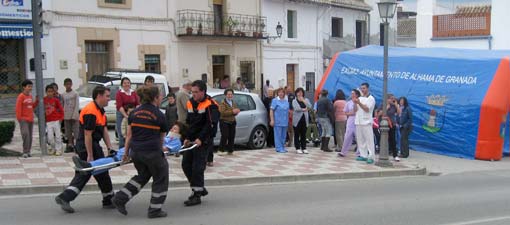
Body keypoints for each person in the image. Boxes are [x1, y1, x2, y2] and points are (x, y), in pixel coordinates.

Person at [111, 86, 169, 218]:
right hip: (152, 152)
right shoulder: (159, 115)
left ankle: (120, 198)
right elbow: (161, 138)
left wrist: (126, 153)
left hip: (136, 152)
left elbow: (129, 136)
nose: (161, 98)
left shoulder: (134, 113)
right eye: (160, 96)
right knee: (161, 177)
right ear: (155, 98)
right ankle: (155, 210)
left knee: (143, 176)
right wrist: (161, 152)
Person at [55, 86, 115, 213]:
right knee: (93, 171)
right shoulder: (90, 111)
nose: (109, 99)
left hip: (93, 144)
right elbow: (87, 134)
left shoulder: (100, 110)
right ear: (99, 96)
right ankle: (108, 199)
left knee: (95, 171)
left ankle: (108, 199)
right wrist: (90, 155)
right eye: (107, 96)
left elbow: (104, 129)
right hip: (86, 145)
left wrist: (110, 147)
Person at [72, 122, 184, 176]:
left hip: (144, 149)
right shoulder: (166, 136)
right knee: (113, 159)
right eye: (173, 128)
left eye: (175, 129)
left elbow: (165, 149)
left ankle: (89, 167)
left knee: (115, 160)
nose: (172, 130)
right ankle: (90, 169)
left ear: (179, 133)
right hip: (139, 146)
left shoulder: (176, 142)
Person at [182, 80, 218, 206]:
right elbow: (189, 122)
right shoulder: (191, 102)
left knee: (198, 168)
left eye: (196, 92)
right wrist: (186, 137)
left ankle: (196, 195)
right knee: (186, 165)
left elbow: (211, 125)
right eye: (192, 92)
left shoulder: (211, 104)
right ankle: (200, 188)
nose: (194, 95)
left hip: (204, 140)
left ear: (203, 91)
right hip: (192, 139)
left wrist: (201, 139)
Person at [39, 85, 65, 156]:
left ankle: (58, 150)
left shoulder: (56, 100)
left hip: (56, 120)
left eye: (51, 92)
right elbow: (37, 104)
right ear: (46, 92)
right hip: (48, 121)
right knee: (50, 137)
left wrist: (61, 118)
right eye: (48, 92)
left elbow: (61, 109)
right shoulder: (43, 100)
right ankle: (53, 148)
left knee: (58, 136)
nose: (50, 93)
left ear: (53, 92)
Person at [354, 83, 376, 164]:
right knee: (360, 140)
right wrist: (354, 102)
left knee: (369, 140)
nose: (362, 90)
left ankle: (371, 156)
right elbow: (355, 110)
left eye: (364, 88)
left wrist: (359, 103)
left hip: (366, 121)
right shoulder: (359, 98)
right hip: (358, 121)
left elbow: (367, 109)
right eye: (361, 88)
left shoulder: (371, 98)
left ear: (368, 88)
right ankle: (363, 155)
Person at [115, 77, 140, 148]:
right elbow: (119, 106)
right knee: (122, 133)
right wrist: (126, 116)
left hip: (132, 113)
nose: (127, 84)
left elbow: (137, 103)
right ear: (122, 84)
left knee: (132, 132)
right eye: (125, 83)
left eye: (128, 83)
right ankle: (122, 150)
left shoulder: (133, 93)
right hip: (122, 113)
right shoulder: (119, 93)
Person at [378, 94, 401, 161]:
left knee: (393, 140)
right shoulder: (382, 105)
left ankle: (395, 155)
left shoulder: (394, 106)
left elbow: (399, 113)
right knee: (383, 139)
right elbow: (378, 114)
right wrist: (386, 108)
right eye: (391, 98)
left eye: (393, 98)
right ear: (387, 99)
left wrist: (396, 105)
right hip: (383, 124)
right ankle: (383, 153)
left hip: (391, 124)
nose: (392, 100)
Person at [218, 89, 240, 157]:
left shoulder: (233, 102)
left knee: (232, 136)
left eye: (231, 94)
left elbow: (235, 110)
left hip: (232, 121)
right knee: (225, 136)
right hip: (224, 121)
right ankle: (221, 150)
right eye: (228, 94)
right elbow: (223, 113)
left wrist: (237, 111)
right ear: (225, 95)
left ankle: (230, 151)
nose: (230, 96)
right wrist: (233, 112)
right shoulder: (222, 103)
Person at [16, 80, 35, 158]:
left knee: (30, 135)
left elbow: (32, 106)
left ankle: (28, 151)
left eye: (31, 86)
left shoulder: (30, 96)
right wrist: (19, 118)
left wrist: (36, 101)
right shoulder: (21, 96)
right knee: (25, 134)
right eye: (28, 86)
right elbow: (18, 108)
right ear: (24, 87)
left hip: (30, 119)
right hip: (23, 119)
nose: (30, 88)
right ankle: (25, 151)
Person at [338, 89, 360, 157]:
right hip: (350, 121)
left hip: (358, 120)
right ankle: (343, 152)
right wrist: (350, 113)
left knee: (358, 137)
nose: (352, 95)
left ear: (357, 94)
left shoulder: (360, 101)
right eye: (351, 93)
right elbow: (345, 112)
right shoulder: (349, 103)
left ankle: (359, 153)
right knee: (347, 136)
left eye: (353, 93)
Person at [62, 78, 80, 153]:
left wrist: (75, 115)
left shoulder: (75, 93)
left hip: (74, 115)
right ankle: (70, 145)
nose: (68, 86)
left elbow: (77, 105)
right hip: (66, 115)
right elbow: (63, 105)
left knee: (76, 131)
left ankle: (78, 145)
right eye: (67, 84)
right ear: (64, 85)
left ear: (71, 84)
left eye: (69, 84)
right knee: (68, 131)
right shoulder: (63, 95)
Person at [292, 88, 311, 154]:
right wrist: (304, 109)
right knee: (297, 134)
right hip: (297, 120)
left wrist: (303, 101)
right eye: (298, 92)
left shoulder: (306, 100)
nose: (300, 94)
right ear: (296, 93)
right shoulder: (294, 101)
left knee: (303, 134)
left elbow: (309, 106)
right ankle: (297, 147)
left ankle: (304, 147)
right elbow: (296, 108)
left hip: (304, 119)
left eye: (301, 92)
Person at [270, 88, 290, 153]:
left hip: (285, 121)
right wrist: (272, 120)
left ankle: (282, 147)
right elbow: (271, 110)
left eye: (282, 92)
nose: (281, 93)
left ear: (284, 93)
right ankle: (278, 148)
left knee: (284, 135)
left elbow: (288, 111)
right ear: (277, 93)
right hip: (277, 121)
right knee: (278, 135)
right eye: (279, 92)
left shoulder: (286, 101)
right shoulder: (275, 100)